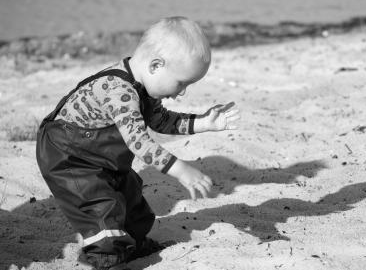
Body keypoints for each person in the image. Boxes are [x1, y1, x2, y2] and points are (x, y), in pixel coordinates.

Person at [36, 16, 240, 270]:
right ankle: (106, 259)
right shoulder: (119, 91)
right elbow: (139, 143)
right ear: (156, 66)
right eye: (181, 83)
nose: (181, 92)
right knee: (100, 210)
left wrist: (203, 123)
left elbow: (161, 121)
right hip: (69, 156)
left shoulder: (143, 86)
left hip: (101, 157)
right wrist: (180, 169)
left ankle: (133, 244)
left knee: (133, 204)